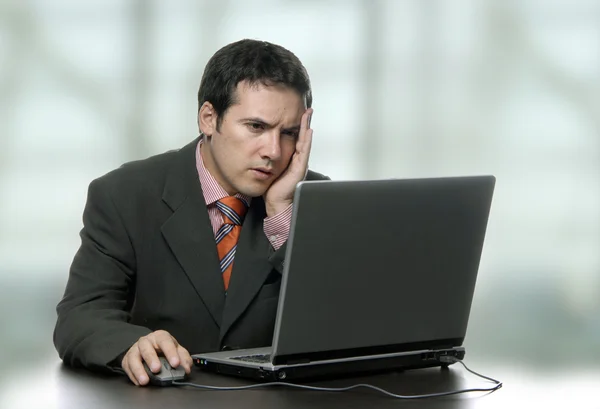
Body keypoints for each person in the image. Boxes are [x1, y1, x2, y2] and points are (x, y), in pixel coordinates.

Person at [53, 39, 329, 386]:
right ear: (209, 118)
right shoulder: (124, 195)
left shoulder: (316, 199)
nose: (273, 151)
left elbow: (340, 322)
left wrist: (281, 215)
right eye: (256, 127)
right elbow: (80, 317)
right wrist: (130, 346)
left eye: (288, 134)